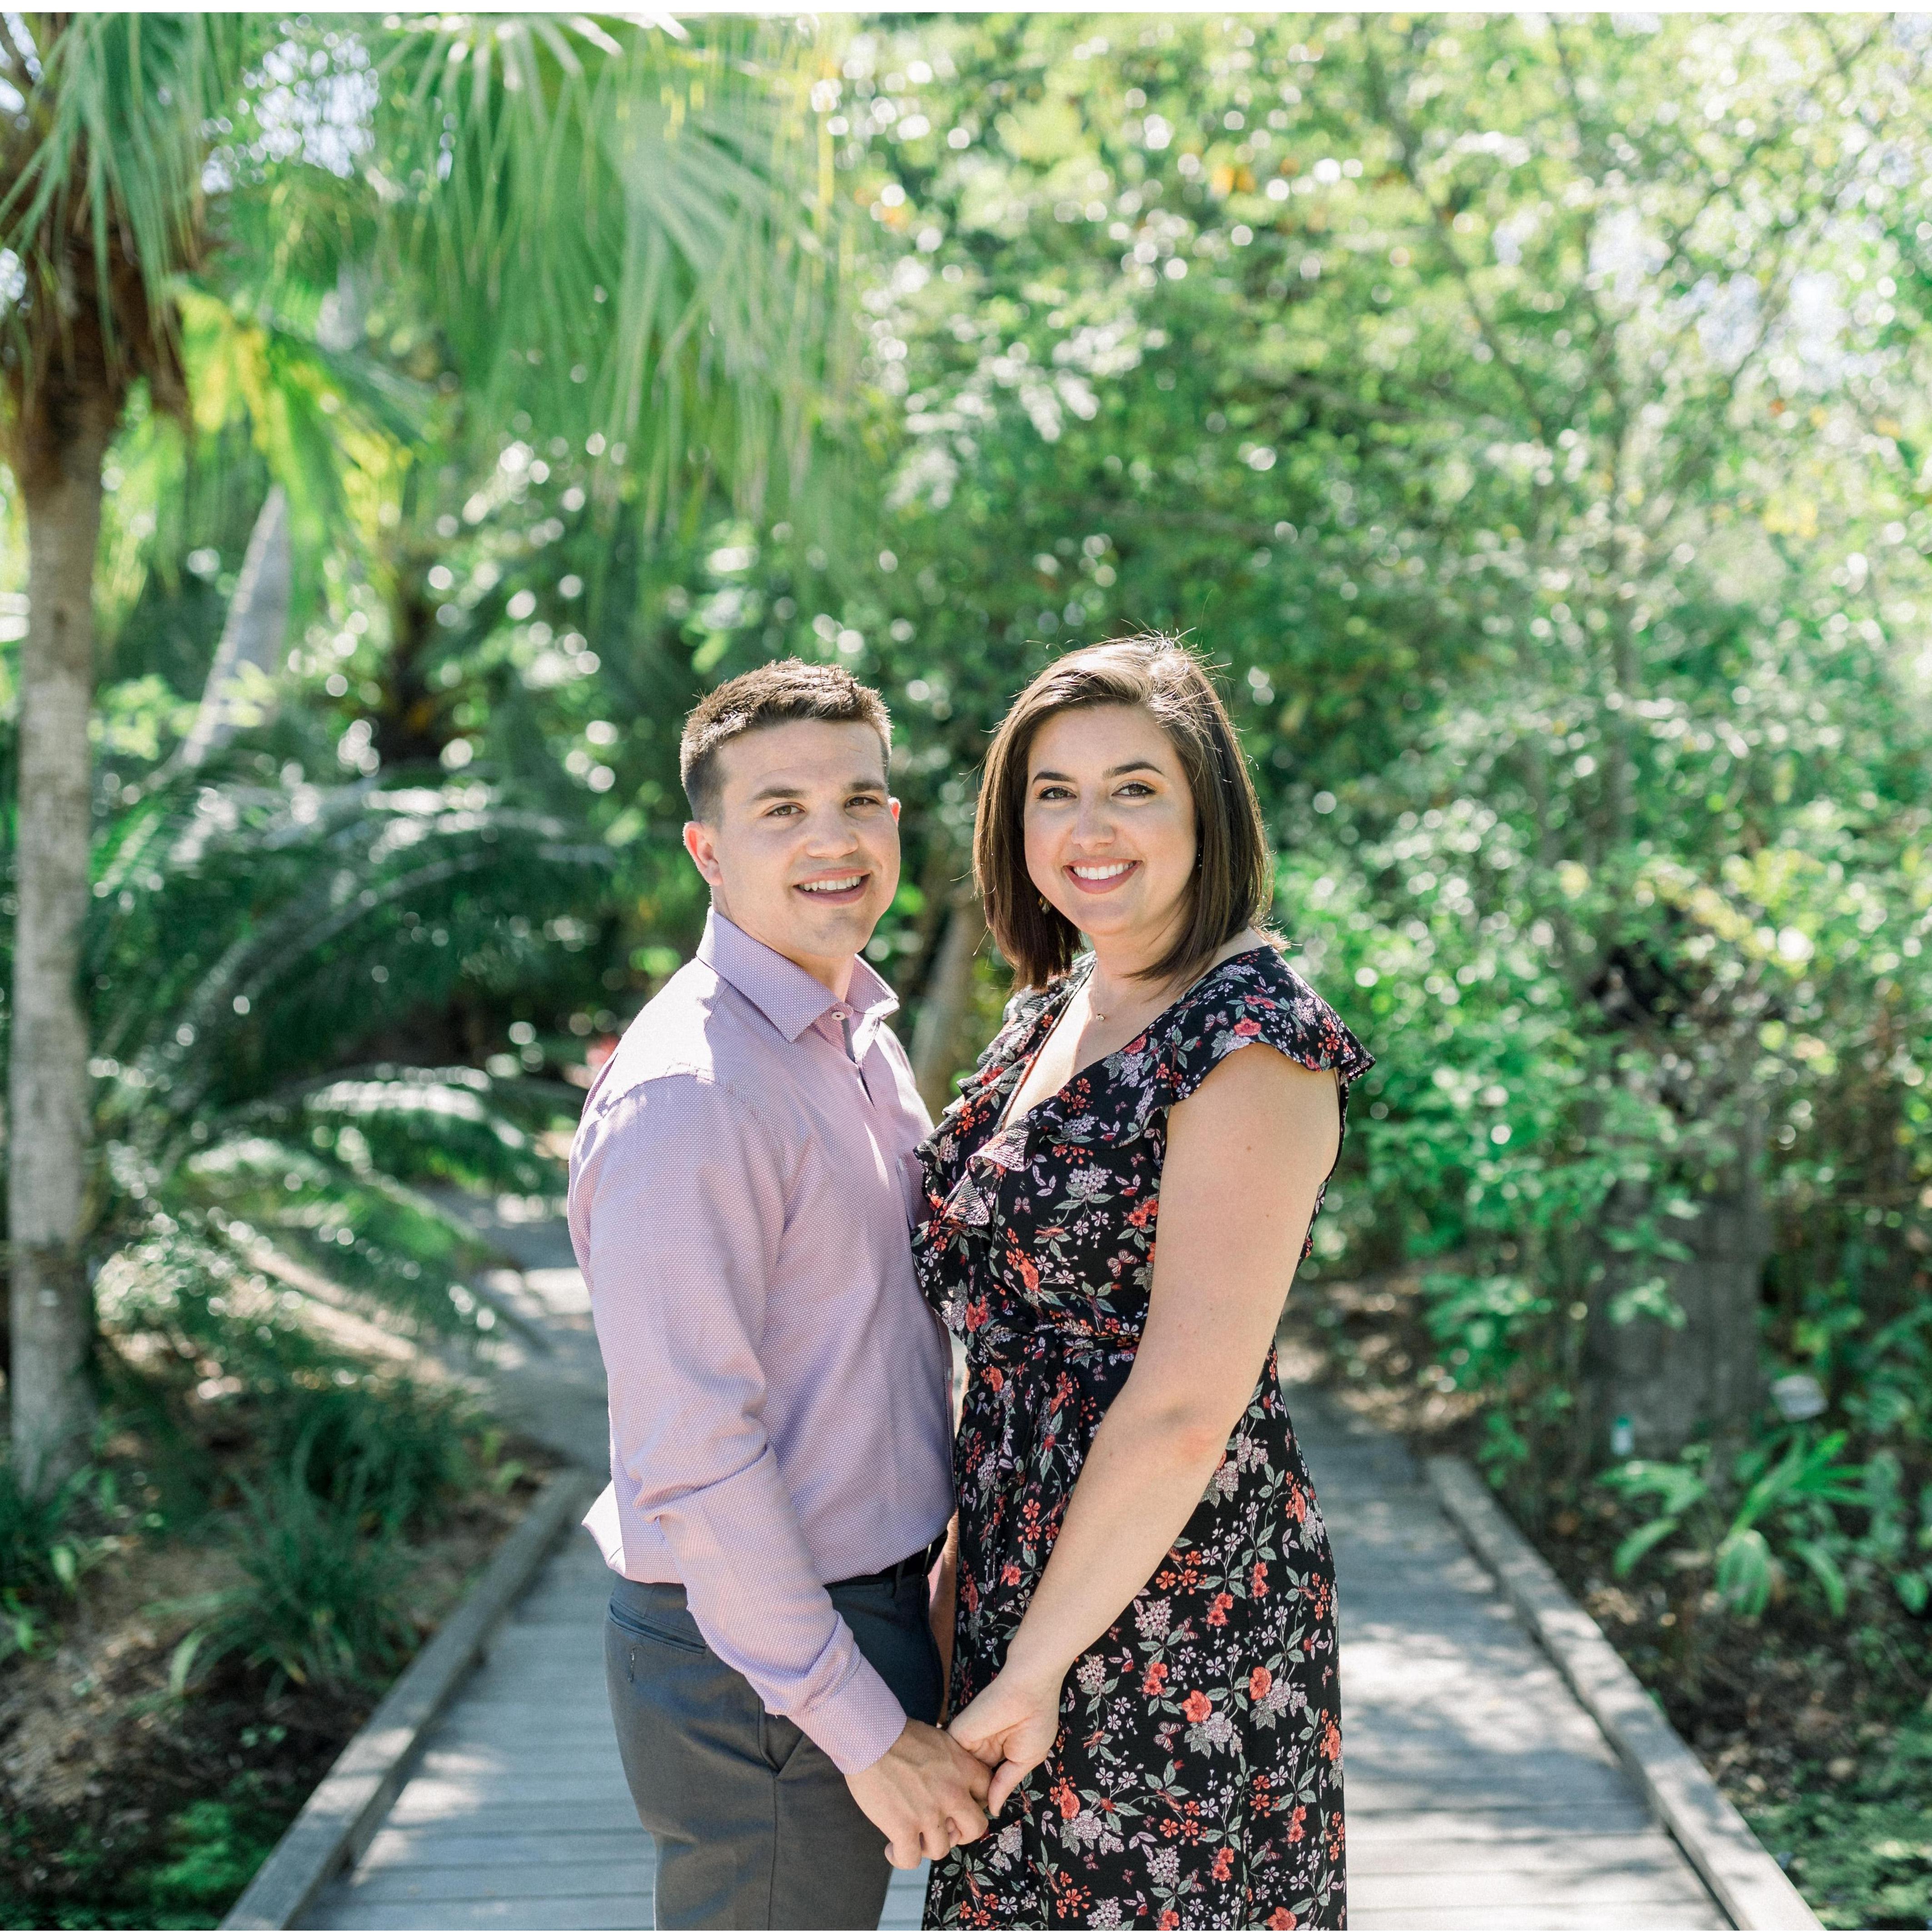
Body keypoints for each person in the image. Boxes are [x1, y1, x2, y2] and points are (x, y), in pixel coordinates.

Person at [915, 639, 1371, 1930]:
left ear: (1205, 809)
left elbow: (1185, 1400)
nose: (1087, 826)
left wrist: (1033, 1664)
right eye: (1050, 792)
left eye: (1134, 787)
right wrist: (964, 1618)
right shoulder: (1048, 1014)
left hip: (1167, 1606)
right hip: (1021, 1591)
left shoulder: (1252, 1039)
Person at [571, 660, 992, 1930]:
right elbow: (692, 1455)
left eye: (860, 801)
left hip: (859, 1603)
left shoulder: (849, 1036)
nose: (833, 839)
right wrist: (862, 1725)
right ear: (706, 847)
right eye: (782, 809)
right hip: (757, 1658)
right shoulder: (690, 1095)